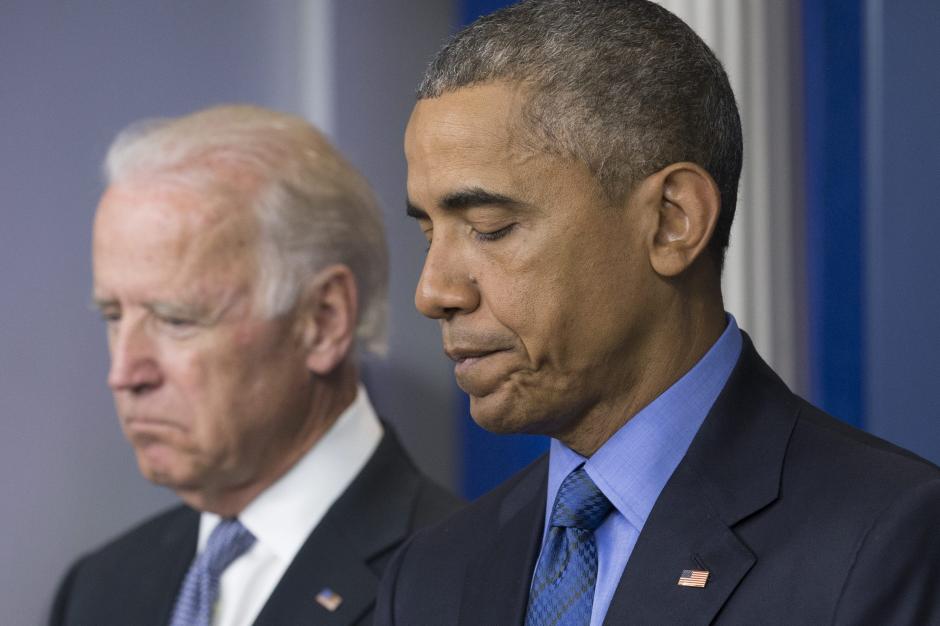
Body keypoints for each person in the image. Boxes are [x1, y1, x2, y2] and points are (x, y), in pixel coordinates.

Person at [376, 1, 940, 624]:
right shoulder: (429, 574)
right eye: (429, 235)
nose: (432, 292)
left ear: (674, 220)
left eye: (490, 227)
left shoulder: (891, 540)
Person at [49, 105, 461, 626]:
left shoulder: (465, 583)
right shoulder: (97, 589)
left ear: (323, 320)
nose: (124, 374)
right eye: (113, 316)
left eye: (175, 319)